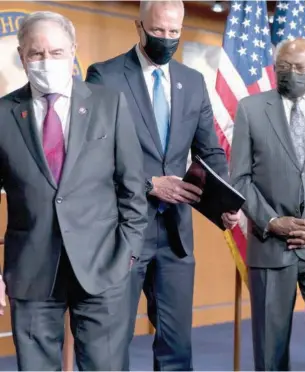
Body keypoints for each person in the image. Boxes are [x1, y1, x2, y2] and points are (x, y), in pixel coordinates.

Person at [85, 1, 240, 369]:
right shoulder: (104, 77)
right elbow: (90, 155)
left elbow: (210, 152)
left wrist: (227, 201)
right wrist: (149, 183)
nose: (167, 39)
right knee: (110, 347)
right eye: (158, 31)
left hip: (176, 237)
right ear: (139, 26)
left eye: (174, 32)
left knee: (177, 348)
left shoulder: (192, 81)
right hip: (121, 233)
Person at [0, 11, 147, 371]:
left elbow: (132, 189)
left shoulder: (108, 104)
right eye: (36, 53)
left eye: (56, 52)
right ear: (21, 56)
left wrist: (126, 255)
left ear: (74, 51)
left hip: (103, 267)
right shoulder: (3, 114)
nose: (46, 61)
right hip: (31, 270)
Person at [230, 38, 305, 371]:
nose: (292, 73)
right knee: (270, 344)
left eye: (301, 68)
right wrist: (271, 221)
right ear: (274, 65)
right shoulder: (250, 108)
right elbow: (239, 178)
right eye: (285, 66)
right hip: (270, 245)